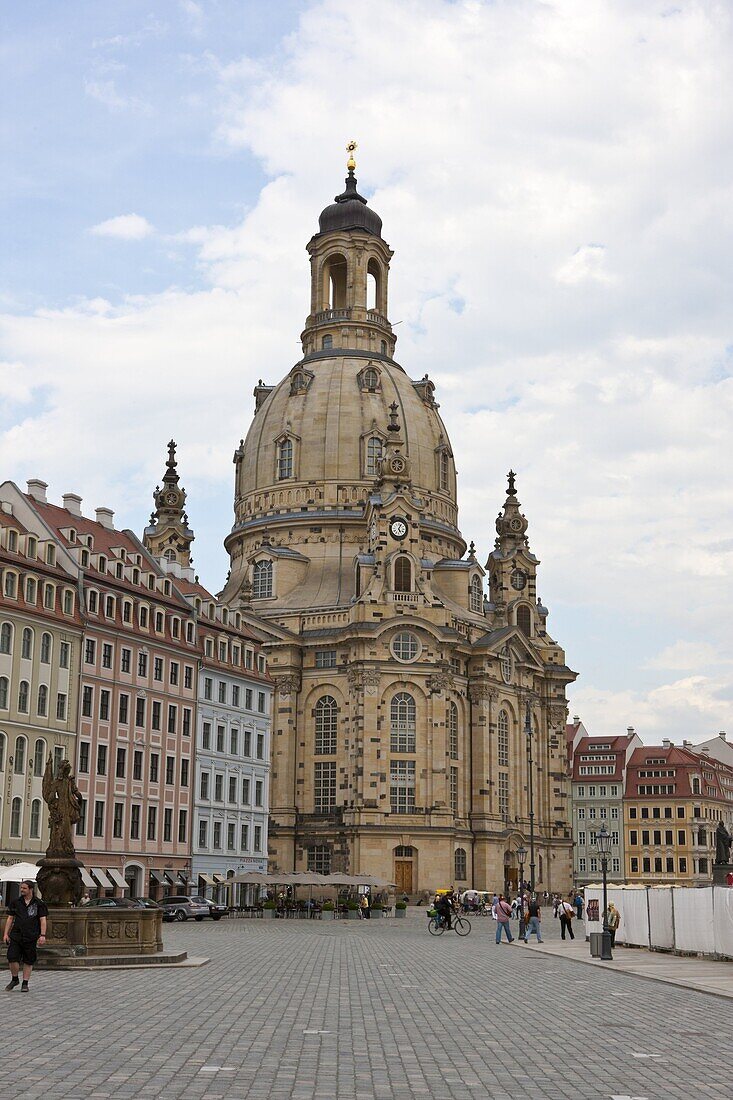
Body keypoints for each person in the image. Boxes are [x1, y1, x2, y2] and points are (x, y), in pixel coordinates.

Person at [4, 879, 48, 992]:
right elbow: (10, 918)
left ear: (31, 889)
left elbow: (43, 920)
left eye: (24, 888)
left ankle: (25, 983)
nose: (22, 890)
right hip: (16, 935)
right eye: (21, 888)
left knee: (29, 960)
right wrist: (5, 934)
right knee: (12, 957)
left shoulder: (39, 904)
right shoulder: (16, 902)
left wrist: (42, 935)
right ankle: (15, 979)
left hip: (31, 935)